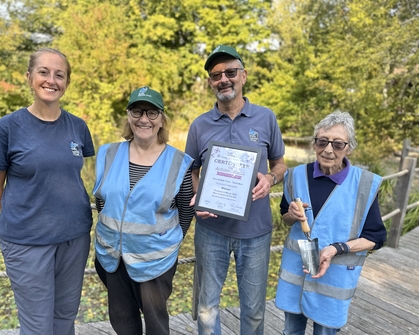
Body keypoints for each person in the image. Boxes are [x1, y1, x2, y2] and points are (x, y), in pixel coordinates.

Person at [0, 48, 95, 334]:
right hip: (27, 242)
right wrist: (28, 217)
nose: (51, 80)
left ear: (67, 82)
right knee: (38, 327)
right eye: (43, 72)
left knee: (64, 319)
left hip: (75, 238)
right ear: (29, 77)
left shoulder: (78, 127)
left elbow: (74, 177)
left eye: (60, 75)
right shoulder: (7, 128)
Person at [185, 45, 287, 335]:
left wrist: (270, 179)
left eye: (230, 72)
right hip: (210, 230)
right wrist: (198, 198)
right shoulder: (199, 125)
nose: (223, 79)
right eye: (216, 75)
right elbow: (191, 169)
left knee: (253, 310)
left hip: (255, 233)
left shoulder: (265, 118)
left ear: (243, 76)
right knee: (207, 306)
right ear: (210, 82)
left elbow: (280, 164)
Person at [93, 86, 194, 335]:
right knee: (122, 319)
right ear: (129, 115)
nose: (144, 119)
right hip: (112, 256)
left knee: (156, 322)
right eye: (137, 111)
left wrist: (167, 240)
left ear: (161, 119)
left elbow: (185, 211)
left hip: (154, 259)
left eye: (152, 112)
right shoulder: (108, 153)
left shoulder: (178, 161)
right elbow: (102, 200)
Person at [275, 111, 387, 334]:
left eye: (337, 144)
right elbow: (285, 218)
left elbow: (376, 238)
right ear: (314, 144)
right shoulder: (295, 175)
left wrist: (338, 248)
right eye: (322, 141)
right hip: (296, 279)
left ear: (349, 147)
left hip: (333, 283)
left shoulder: (364, 184)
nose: (328, 149)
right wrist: (291, 214)